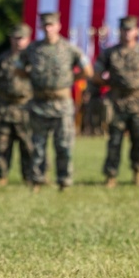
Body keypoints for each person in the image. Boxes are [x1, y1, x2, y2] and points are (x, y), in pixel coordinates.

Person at [21, 12, 92, 192]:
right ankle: (37, 180)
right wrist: (34, 79)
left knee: (64, 145)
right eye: (45, 25)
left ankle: (64, 181)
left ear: (58, 26)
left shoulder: (69, 49)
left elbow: (88, 71)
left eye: (51, 25)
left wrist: (70, 79)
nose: (48, 28)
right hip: (39, 103)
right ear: (40, 27)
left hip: (62, 104)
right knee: (37, 146)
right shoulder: (32, 49)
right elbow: (17, 69)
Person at [93, 15, 139, 188]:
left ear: (136, 31)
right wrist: (111, 85)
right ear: (120, 31)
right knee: (115, 142)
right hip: (118, 103)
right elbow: (96, 76)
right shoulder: (110, 53)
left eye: (130, 29)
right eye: (124, 29)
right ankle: (111, 176)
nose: (127, 33)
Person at [0, 23, 36, 188]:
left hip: (26, 108)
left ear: (28, 39)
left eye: (22, 38)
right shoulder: (0, 60)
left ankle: (29, 177)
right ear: (11, 39)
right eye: (16, 38)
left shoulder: (34, 60)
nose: (19, 42)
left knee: (28, 146)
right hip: (5, 108)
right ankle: (1, 177)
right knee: (2, 145)